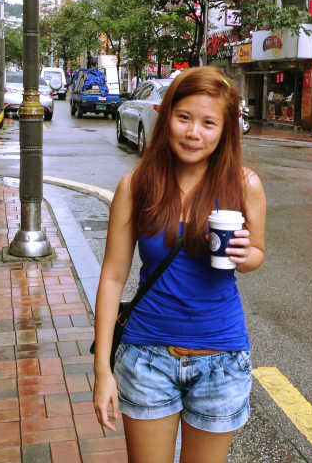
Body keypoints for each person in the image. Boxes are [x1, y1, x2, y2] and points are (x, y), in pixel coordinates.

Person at [93, 67, 267, 462]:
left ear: (225, 130)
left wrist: (245, 256)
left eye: (209, 123)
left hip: (221, 360)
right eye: (184, 117)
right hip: (146, 357)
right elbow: (113, 276)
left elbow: (256, 253)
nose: (193, 133)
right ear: (166, 115)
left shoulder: (245, 185)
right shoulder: (136, 186)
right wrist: (102, 369)